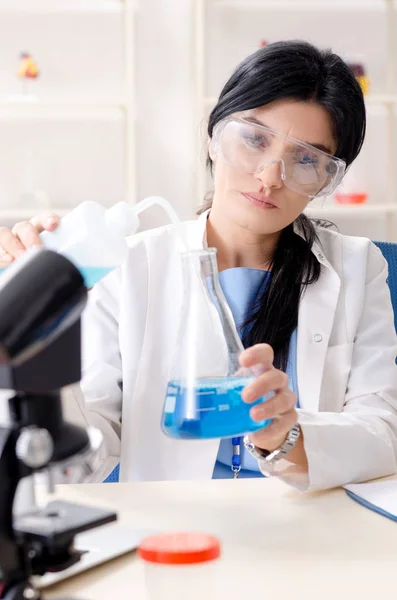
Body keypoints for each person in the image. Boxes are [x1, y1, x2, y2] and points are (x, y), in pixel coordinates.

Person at [1, 40, 396, 491]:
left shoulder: (358, 266)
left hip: (306, 526)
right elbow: (83, 457)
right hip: (172, 533)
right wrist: (44, 334)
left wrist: (287, 435)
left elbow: (382, 433)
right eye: (254, 139)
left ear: (328, 178)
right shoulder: (129, 267)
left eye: (306, 159)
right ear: (214, 137)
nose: (270, 176)